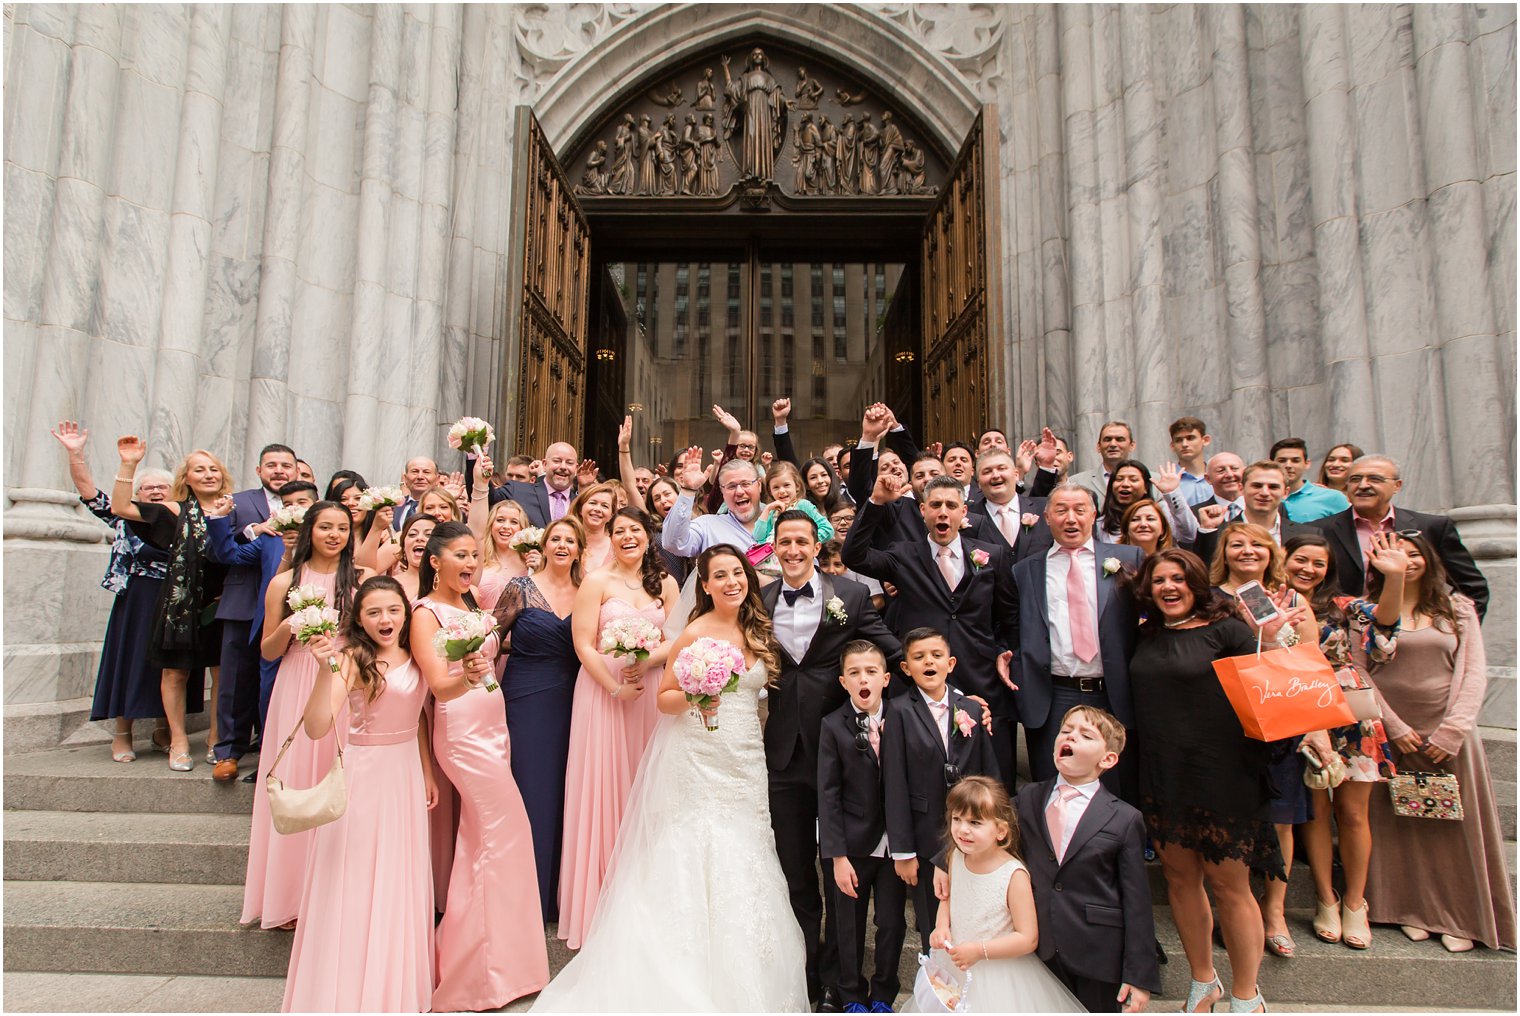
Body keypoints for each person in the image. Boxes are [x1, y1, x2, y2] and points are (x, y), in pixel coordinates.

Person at [529, 546, 809, 1011]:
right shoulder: (695, 631)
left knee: (748, 850)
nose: (730, 582)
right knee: (696, 847)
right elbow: (665, 698)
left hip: (745, 759)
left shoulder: (757, 628)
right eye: (719, 575)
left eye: (736, 573)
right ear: (705, 586)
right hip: (699, 756)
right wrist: (700, 698)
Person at [1129, 548, 1293, 1013]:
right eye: (1159, 580)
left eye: (1178, 578)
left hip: (1224, 775)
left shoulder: (1231, 630)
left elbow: (1268, 690)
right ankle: (1204, 981)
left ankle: (1247, 992)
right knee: (1181, 881)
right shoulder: (1144, 635)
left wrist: (1272, 641)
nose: (1168, 587)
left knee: (1229, 886)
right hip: (1163, 775)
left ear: (1196, 583)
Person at [762, 511, 900, 1009]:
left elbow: (892, 654)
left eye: (802, 541)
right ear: (773, 547)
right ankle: (806, 973)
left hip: (844, 753)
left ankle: (845, 980)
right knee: (797, 871)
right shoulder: (763, 599)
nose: (793, 550)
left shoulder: (853, 596)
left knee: (842, 868)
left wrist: (952, 696)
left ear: (817, 546)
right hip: (784, 755)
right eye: (785, 542)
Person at [280, 577, 437, 1013]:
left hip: (405, 775)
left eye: (392, 610)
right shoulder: (351, 659)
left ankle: (393, 986)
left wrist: (426, 771)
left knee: (398, 876)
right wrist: (321, 670)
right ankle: (347, 991)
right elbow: (315, 728)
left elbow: (420, 718)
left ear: (405, 612)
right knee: (356, 875)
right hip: (365, 774)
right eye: (373, 612)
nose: (384, 619)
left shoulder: (418, 655)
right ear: (360, 619)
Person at [1363, 532, 1515, 952]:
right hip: (1392, 736)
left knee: (1452, 828)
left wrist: (1453, 730)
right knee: (1398, 825)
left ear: (1429, 560)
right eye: (1395, 554)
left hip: (1447, 735)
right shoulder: (1365, 611)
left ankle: (1459, 916)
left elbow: (1473, 672)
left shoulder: (1457, 608)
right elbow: (1359, 672)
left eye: (1414, 555)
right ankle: (1407, 908)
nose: (1406, 561)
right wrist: (1392, 728)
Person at [843, 474, 1018, 784]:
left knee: (988, 782)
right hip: (918, 685)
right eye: (935, 504)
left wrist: (1005, 652)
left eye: (951, 505)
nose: (943, 512)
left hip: (981, 679)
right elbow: (853, 555)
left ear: (964, 512)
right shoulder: (903, 555)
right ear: (922, 510)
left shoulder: (992, 555)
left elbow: (1009, 614)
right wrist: (875, 503)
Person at [558, 508, 679, 948]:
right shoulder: (596, 582)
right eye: (619, 531)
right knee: (606, 789)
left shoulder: (664, 583)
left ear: (648, 538)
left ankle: (644, 904)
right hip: (604, 695)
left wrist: (649, 660)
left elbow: (677, 638)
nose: (628, 537)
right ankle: (598, 908)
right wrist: (613, 687)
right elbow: (582, 644)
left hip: (650, 692)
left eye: (636, 531)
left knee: (645, 790)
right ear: (609, 537)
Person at [241, 501, 363, 930]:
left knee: (338, 778)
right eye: (326, 527)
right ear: (309, 530)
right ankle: (289, 897)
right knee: (296, 781)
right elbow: (268, 651)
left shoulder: (359, 581)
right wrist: (291, 626)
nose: (334, 535)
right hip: (295, 682)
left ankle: (334, 891)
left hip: (342, 682)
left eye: (342, 528)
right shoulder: (284, 584)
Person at [1207, 522, 1322, 959]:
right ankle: (1233, 905)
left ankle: (1275, 911)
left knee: (1281, 818)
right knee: (1227, 815)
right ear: (1225, 552)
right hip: (1226, 720)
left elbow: (1311, 663)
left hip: (1281, 716)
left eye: (1256, 544)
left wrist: (1317, 727)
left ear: (1271, 551)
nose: (1246, 551)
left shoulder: (1291, 599)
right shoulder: (1211, 597)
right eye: (1236, 544)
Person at [1283, 532, 1400, 951]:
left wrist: (1394, 577)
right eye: (1300, 559)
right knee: (1314, 811)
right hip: (1298, 706)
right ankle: (1325, 898)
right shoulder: (1272, 602)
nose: (1308, 569)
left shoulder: (1344, 605)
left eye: (1318, 563)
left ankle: (1355, 902)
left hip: (1347, 710)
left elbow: (1385, 626)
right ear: (1284, 559)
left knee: (1352, 814)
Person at [1012, 706, 1158, 1012]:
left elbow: (1137, 901)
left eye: (1085, 735)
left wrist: (1139, 975)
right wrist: (946, 865)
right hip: (1037, 945)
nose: (1071, 736)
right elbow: (983, 826)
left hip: (1096, 952)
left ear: (1107, 759)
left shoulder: (1124, 818)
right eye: (1066, 730)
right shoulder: (1027, 798)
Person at [1009, 484, 1144, 796]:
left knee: (1115, 788)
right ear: (1046, 518)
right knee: (1054, 785)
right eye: (1061, 510)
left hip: (1112, 692)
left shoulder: (1129, 559)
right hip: (1054, 693)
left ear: (1093, 515)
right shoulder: (1025, 570)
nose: (1071, 519)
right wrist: (1007, 654)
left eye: (1079, 510)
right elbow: (1011, 626)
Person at [52, 422, 173, 762]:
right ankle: (122, 734)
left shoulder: (183, 522)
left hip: (175, 598)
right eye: (148, 488)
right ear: (136, 493)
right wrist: (76, 453)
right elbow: (89, 492)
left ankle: (165, 729)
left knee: (172, 665)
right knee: (131, 661)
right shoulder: (124, 517)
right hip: (136, 598)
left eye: (162, 487)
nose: (155, 492)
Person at [112, 437, 230, 772]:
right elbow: (121, 508)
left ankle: (215, 739)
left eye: (214, 469)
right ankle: (178, 740)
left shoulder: (233, 510)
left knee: (222, 673)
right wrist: (129, 464)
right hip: (181, 605)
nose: (208, 475)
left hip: (221, 602)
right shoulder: (174, 511)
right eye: (199, 470)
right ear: (187, 478)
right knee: (175, 671)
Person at [882, 628, 999, 960]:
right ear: (906, 668)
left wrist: (996, 826)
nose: (928, 662)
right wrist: (902, 850)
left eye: (935, 655)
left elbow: (988, 773)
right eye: (918, 657)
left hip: (974, 832)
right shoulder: (900, 711)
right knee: (935, 919)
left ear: (950, 663)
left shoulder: (971, 710)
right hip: (925, 833)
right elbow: (894, 781)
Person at [922, 776, 1083, 1012]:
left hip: (998, 972)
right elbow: (948, 897)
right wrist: (941, 925)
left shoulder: (1013, 874)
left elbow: (1028, 938)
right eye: (957, 819)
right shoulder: (955, 856)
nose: (963, 829)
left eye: (975, 822)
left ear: (1000, 830)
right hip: (957, 963)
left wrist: (979, 950)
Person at [494, 516, 583, 921]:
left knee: (569, 792)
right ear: (544, 546)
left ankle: (560, 896)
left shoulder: (589, 590)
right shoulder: (521, 588)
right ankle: (524, 898)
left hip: (576, 698)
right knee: (531, 791)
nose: (562, 545)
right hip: (526, 697)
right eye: (556, 539)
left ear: (580, 549)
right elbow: (490, 638)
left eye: (571, 540)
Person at [817, 641, 908, 1015]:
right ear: (843, 681)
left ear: (886, 679)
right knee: (849, 923)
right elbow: (828, 794)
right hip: (853, 847)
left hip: (896, 847)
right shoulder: (832, 726)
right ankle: (851, 994)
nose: (863, 678)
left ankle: (884, 993)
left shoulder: (903, 718)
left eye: (871, 671)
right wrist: (837, 856)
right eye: (854, 673)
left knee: (891, 921)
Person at [1308, 455, 1489, 619]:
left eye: (1374, 479)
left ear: (1397, 486)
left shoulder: (1431, 527)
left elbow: (1472, 587)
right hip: (1348, 639)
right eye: (1355, 479)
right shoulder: (1319, 530)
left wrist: (1457, 631)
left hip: (1415, 637)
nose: (1362, 485)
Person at [211, 442, 298, 779]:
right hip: (246, 602)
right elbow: (223, 551)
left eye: (285, 465)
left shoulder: (314, 515)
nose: (279, 470)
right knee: (235, 679)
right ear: (259, 470)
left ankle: (270, 747)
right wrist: (254, 529)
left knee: (273, 684)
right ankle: (228, 751)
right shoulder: (241, 502)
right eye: (271, 465)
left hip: (290, 608)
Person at [1193, 460, 1299, 565]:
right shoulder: (1219, 535)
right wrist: (1207, 531)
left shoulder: (1307, 534)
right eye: (1257, 486)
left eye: (1273, 487)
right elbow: (1203, 573)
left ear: (1285, 492)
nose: (1264, 493)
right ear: (1241, 488)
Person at [969, 448, 1051, 561]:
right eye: (987, 472)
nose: (995, 475)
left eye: (1001, 468)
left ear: (1016, 474)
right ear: (978, 482)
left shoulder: (1044, 508)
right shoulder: (968, 518)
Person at [1097, 459, 1198, 546]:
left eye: (1133, 479)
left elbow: (1190, 535)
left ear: (1146, 487)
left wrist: (1172, 492)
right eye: (1119, 479)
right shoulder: (1102, 523)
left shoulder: (1160, 512)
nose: (1125, 484)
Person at [492, 441, 579, 525]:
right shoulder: (517, 490)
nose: (563, 467)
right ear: (544, 464)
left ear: (576, 468)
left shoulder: (581, 504)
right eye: (557, 461)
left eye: (569, 463)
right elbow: (489, 497)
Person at [753, 459, 835, 546]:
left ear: (797, 486)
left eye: (786, 485)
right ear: (770, 491)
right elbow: (758, 537)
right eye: (776, 487)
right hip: (772, 557)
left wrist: (805, 542)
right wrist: (767, 509)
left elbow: (827, 529)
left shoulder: (803, 505)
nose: (781, 491)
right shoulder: (772, 511)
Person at [1271, 438, 1351, 523]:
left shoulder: (1332, 498)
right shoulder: (1260, 496)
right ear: (1271, 464)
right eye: (1282, 460)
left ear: (1307, 464)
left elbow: (1347, 532)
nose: (1288, 465)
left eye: (1295, 461)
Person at [1067, 420, 1137, 505]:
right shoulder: (1076, 482)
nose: (1113, 444)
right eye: (1107, 439)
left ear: (1132, 446)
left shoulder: (1152, 481)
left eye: (1120, 439)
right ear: (1099, 446)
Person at [389, 514, 434, 603]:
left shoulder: (450, 584)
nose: (419, 538)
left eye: (428, 535)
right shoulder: (389, 586)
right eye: (412, 534)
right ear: (403, 546)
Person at [1169, 417, 1214, 507]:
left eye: (1190, 438)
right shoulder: (1168, 482)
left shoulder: (1218, 476)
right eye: (1178, 440)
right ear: (1172, 446)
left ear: (1205, 440)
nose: (1184, 444)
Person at [391, 457, 439, 531]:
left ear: (437, 479)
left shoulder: (444, 508)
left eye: (426, 472)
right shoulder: (393, 506)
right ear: (405, 478)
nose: (420, 477)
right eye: (415, 471)